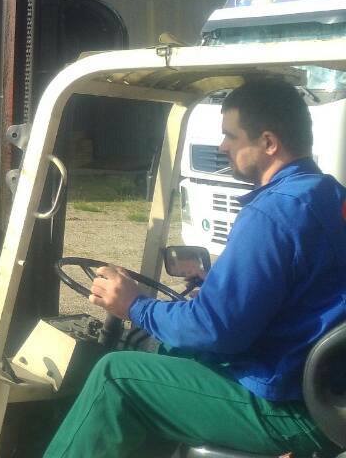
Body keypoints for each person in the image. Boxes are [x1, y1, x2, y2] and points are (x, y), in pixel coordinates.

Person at [45, 77, 346, 457]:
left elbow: (216, 330)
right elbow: (309, 288)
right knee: (169, 353)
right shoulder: (329, 195)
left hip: (289, 407)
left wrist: (134, 306)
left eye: (230, 136)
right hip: (324, 389)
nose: (222, 147)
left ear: (269, 142)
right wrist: (218, 286)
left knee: (116, 376)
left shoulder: (273, 212)